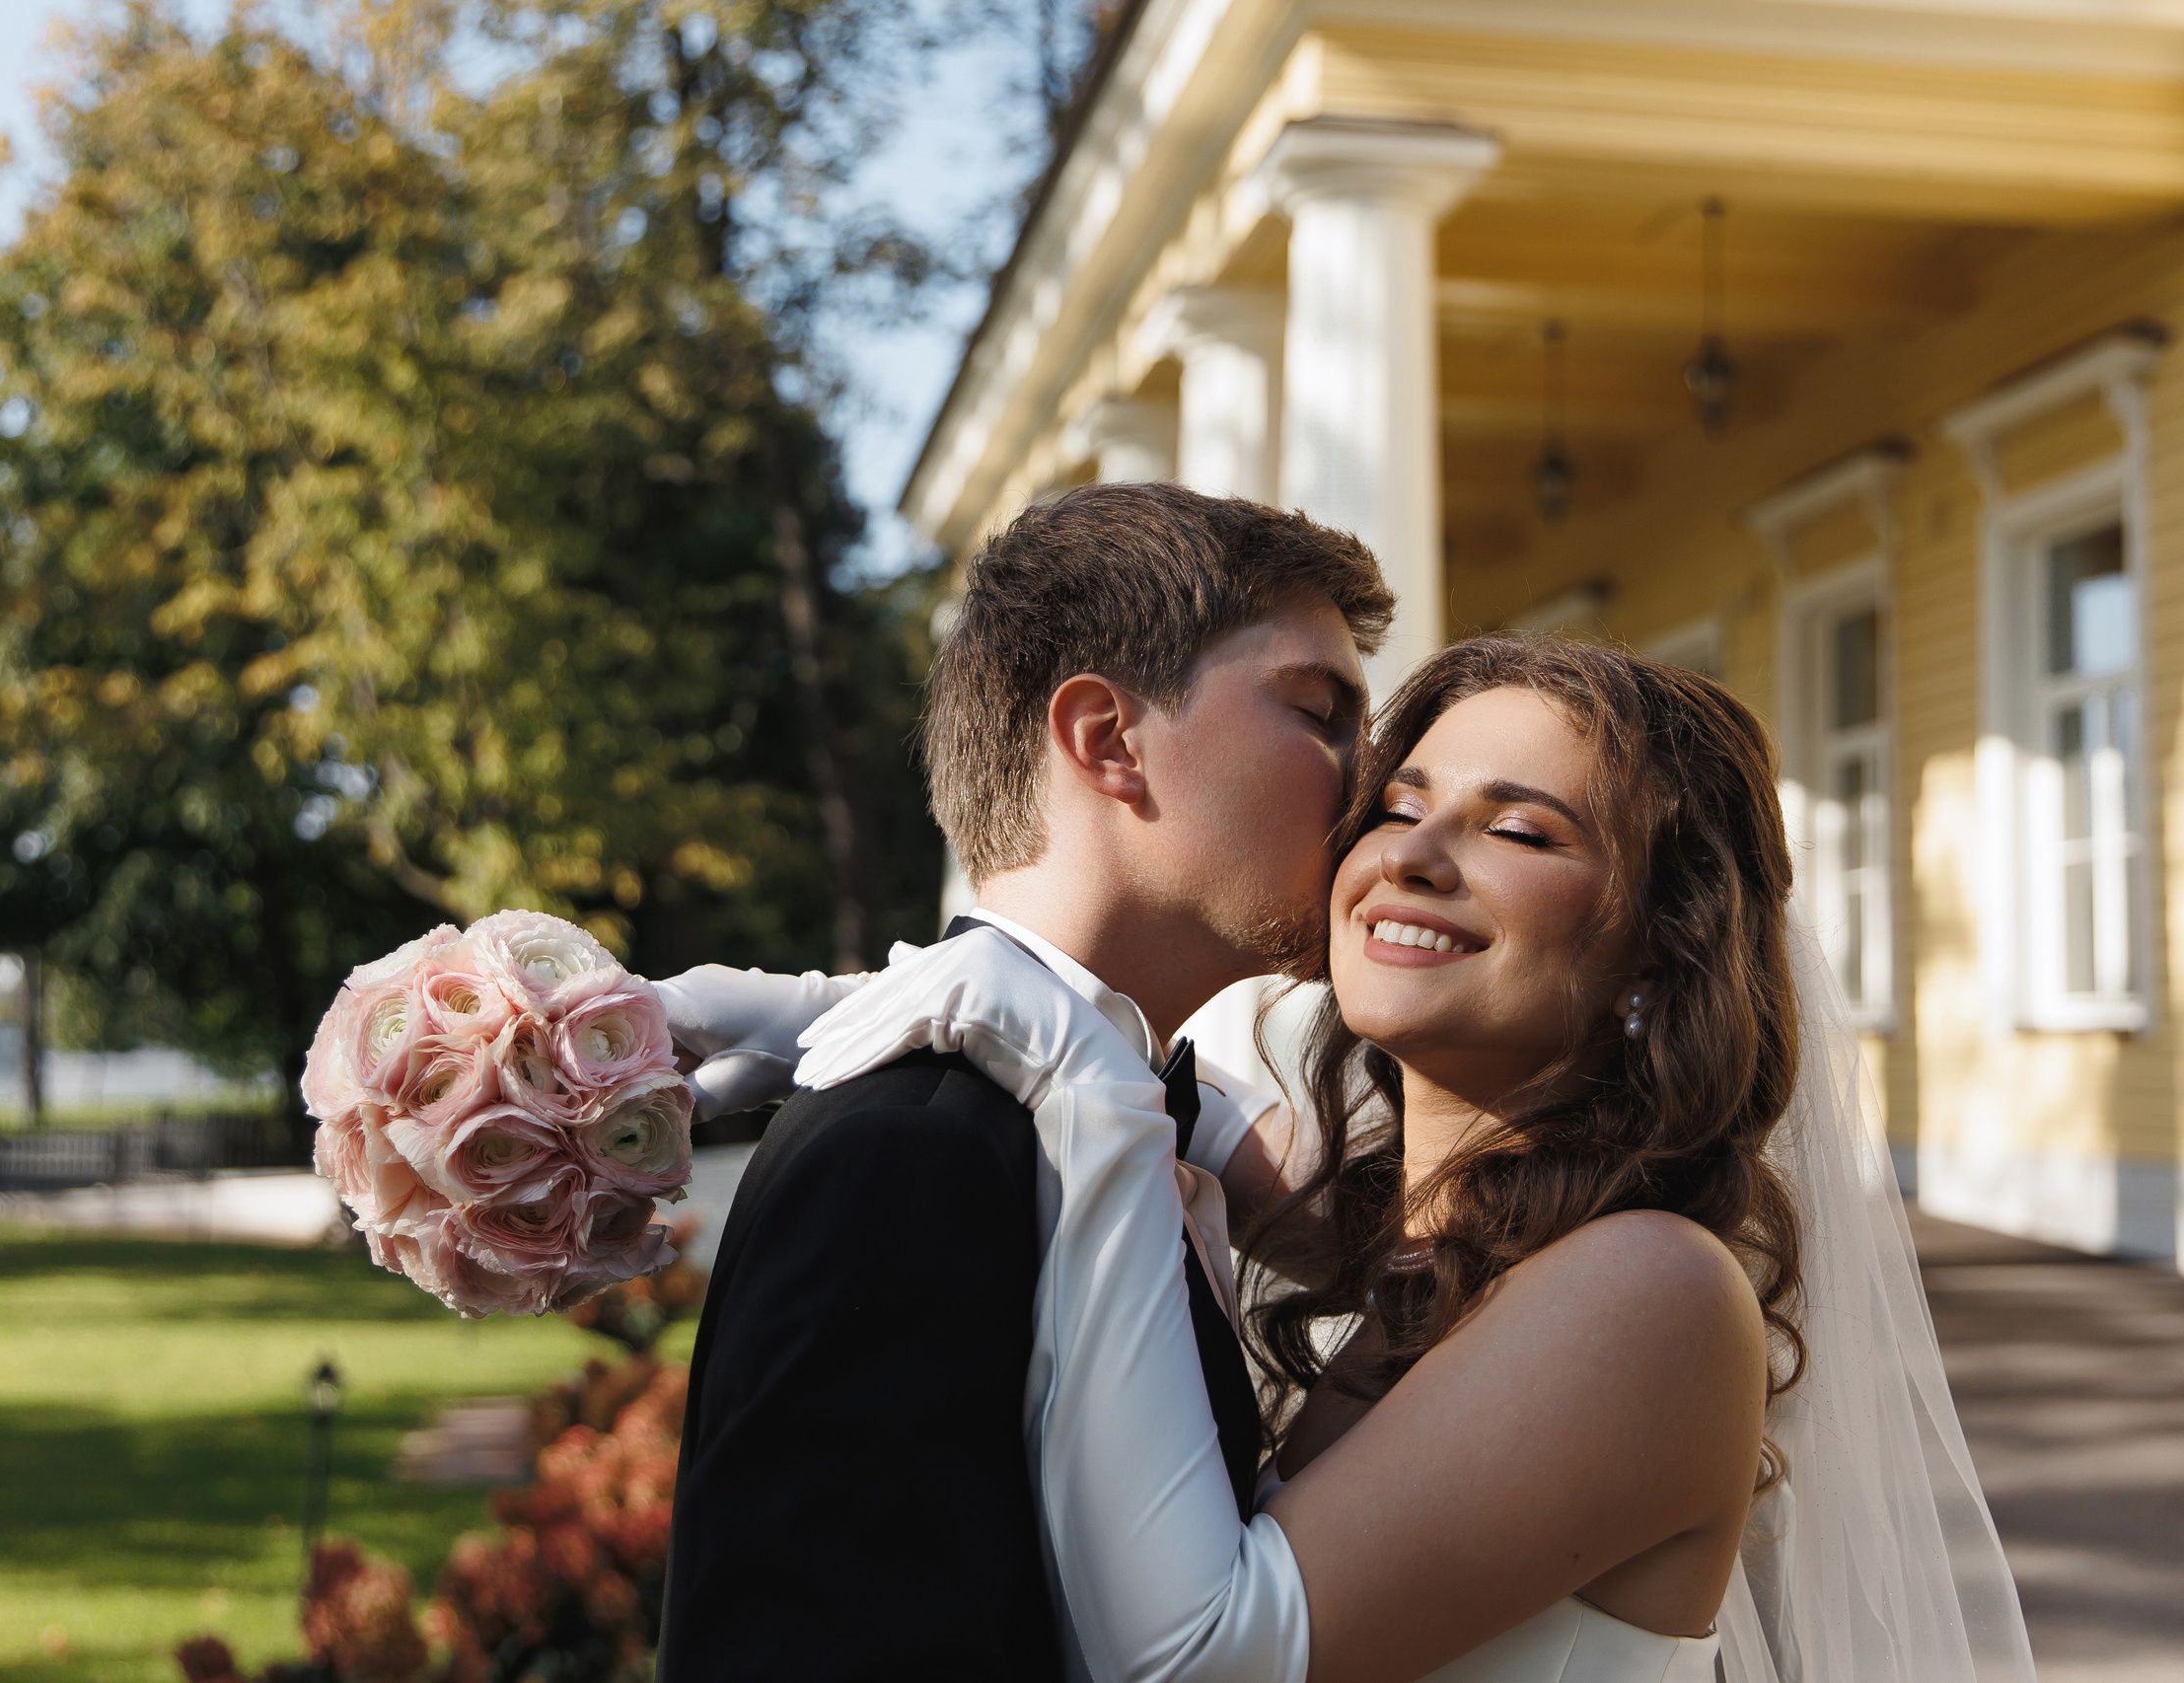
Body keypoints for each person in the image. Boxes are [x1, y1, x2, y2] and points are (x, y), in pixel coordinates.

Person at [799, 634, 2035, 1682]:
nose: (1413, 854)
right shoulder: (1435, 1230)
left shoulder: (1650, 1290)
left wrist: (1074, 1068)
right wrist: (698, 1023)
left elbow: (1199, 1653)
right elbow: (1188, 1107)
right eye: (1396, 806)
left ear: (1659, 950)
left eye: (1518, 829)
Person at [654, 482, 1395, 1682]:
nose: (1369, 791)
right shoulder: (906, 1149)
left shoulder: (1116, 1110)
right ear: (1105, 739)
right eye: (1319, 714)